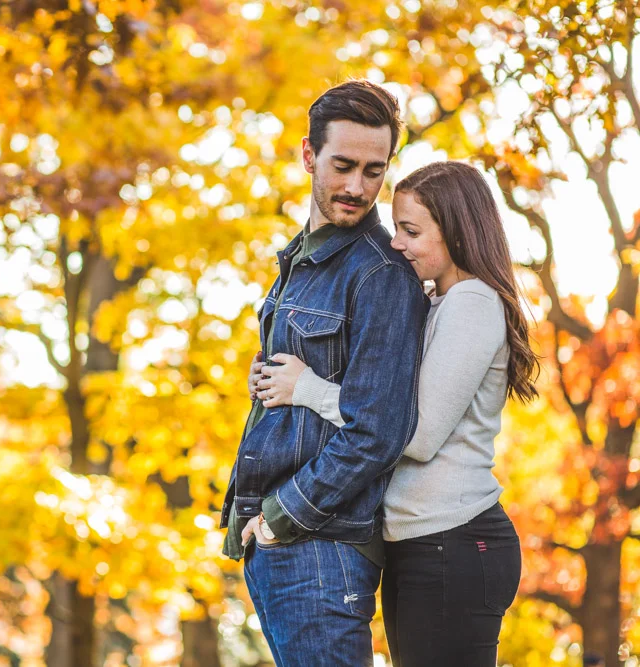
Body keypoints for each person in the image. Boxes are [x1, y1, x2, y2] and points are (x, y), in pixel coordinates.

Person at [252, 161, 537, 665]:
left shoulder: (472, 303)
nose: (397, 244)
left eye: (411, 231)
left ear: (456, 231)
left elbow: (417, 434)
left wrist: (310, 389)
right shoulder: (439, 301)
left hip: (454, 539)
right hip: (420, 541)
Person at [219, 80, 428, 667]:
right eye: (343, 166)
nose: (358, 187)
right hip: (283, 544)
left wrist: (283, 516)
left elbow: (378, 430)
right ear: (309, 156)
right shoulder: (300, 261)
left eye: (373, 170)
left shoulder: (381, 272)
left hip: (321, 545)